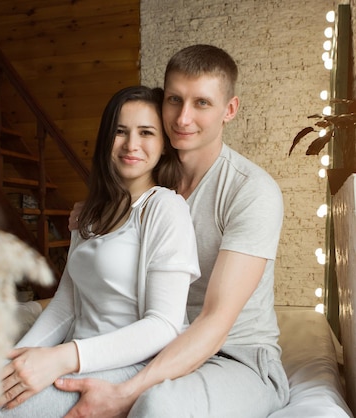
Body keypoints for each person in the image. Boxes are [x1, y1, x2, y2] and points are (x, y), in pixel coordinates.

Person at [56, 44, 290, 418]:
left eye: (202, 103)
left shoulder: (251, 191)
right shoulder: (144, 179)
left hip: (235, 357)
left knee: (158, 406)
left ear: (229, 110)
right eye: (174, 100)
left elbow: (215, 322)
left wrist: (125, 393)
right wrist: (95, 215)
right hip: (157, 345)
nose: (183, 118)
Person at [0, 86, 201, 417]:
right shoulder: (88, 212)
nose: (131, 144)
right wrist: (17, 360)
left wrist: (61, 358)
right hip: (75, 355)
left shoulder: (165, 208)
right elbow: (65, 306)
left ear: (163, 146)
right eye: (120, 132)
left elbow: (163, 325)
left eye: (146, 133)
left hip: (130, 364)